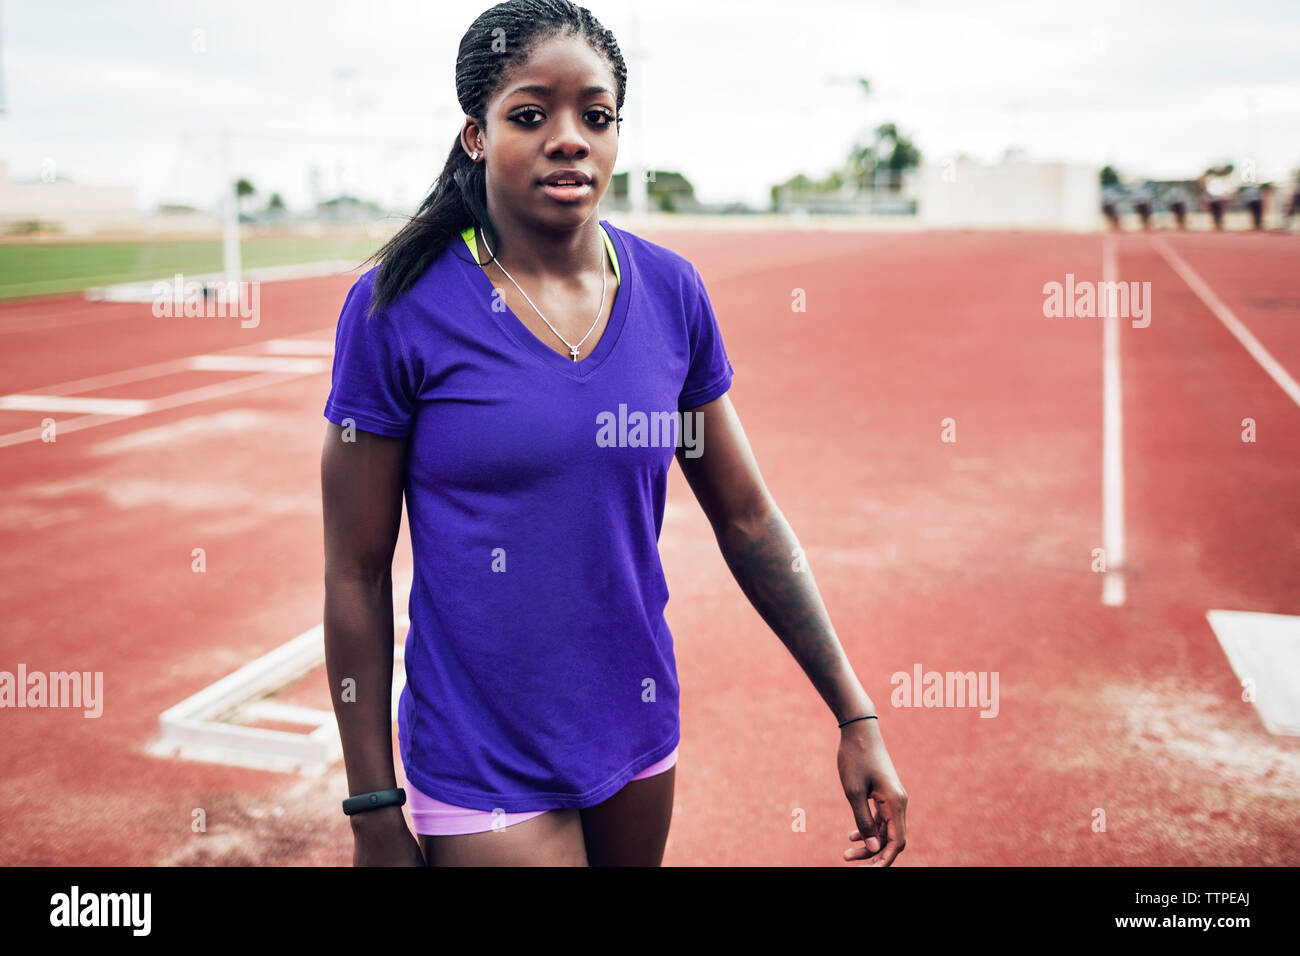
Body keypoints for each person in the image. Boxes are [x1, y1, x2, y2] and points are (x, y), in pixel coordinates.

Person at [320, 0, 907, 868]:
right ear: (475, 136)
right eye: (530, 114)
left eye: (595, 115)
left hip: (634, 731)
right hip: (481, 754)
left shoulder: (671, 292)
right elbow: (356, 569)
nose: (569, 138)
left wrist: (855, 714)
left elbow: (746, 519)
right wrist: (373, 809)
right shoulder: (396, 308)